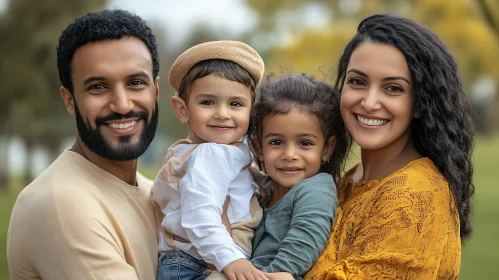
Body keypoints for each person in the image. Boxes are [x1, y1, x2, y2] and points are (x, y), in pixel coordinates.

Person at [302, 14, 474, 279]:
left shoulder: (416, 195)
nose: (369, 102)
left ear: (419, 104)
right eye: (357, 82)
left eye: (393, 88)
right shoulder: (350, 180)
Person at [7, 9, 160, 279]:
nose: (122, 105)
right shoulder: (60, 203)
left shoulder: (158, 195)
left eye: (136, 83)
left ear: (156, 90)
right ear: (69, 100)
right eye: (98, 87)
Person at [151, 40, 268, 280]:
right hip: (198, 265)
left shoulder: (217, 151)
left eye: (235, 104)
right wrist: (230, 259)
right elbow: (199, 213)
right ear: (182, 109)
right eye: (207, 102)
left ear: (251, 112)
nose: (222, 113)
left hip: (190, 262)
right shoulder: (211, 154)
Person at [247, 74, 348, 280]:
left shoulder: (316, 189)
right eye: (276, 142)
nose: (290, 155)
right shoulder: (263, 193)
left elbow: (306, 236)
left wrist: (279, 273)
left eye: (305, 143)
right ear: (259, 149)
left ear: (327, 149)